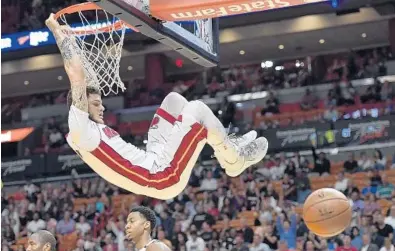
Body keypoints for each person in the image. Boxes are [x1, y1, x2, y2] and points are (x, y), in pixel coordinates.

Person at [45, 14, 268, 200]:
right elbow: (77, 77)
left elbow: (85, 78)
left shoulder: (84, 131)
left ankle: (226, 145)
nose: (102, 108)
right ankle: (233, 160)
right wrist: (56, 31)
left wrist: (71, 40)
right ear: (80, 107)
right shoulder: (80, 128)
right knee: (197, 109)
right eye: (95, 105)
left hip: (153, 159)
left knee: (174, 101)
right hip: (161, 177)